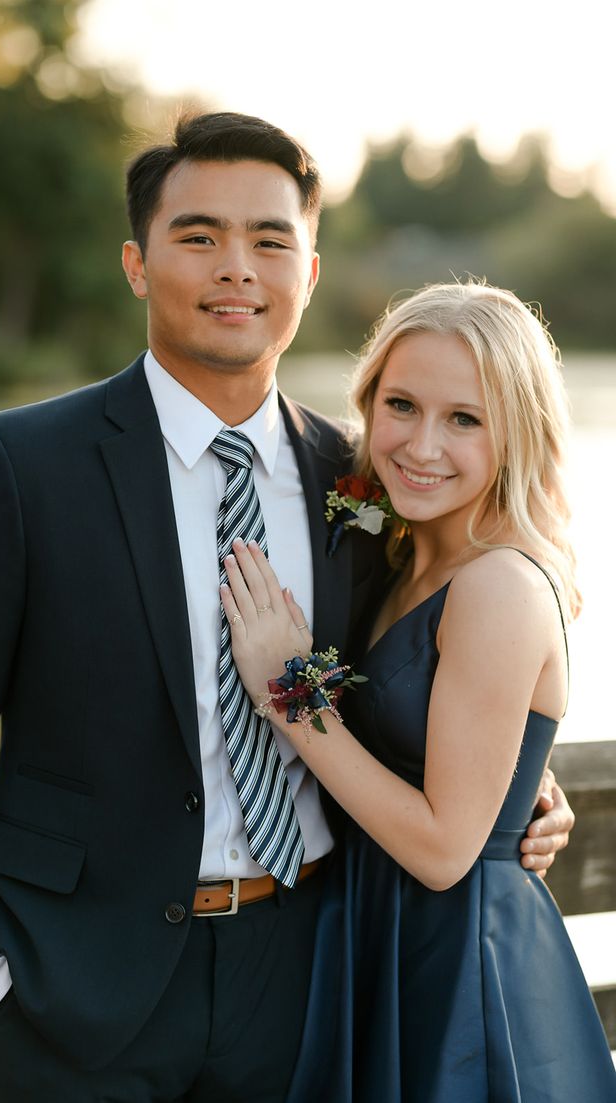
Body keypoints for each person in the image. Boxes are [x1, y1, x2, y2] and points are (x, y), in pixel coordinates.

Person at [0, 118, 572, 1103]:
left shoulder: (355, 483)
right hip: (77, 992)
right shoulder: (22, 469)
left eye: (269, 240)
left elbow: (422, 661)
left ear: (310, 270)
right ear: (136, 262)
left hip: (305, 978)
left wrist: (521, 786)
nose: (236, 269)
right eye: (199, 235)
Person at [220, 280, 616, 1102]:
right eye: (401, 404)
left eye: (464, 418)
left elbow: (443, 851)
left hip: (457, 964)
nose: (422, 445)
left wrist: (289, 692)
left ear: (516, 432)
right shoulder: (396, 549)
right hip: (370, 936)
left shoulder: (499, 584)